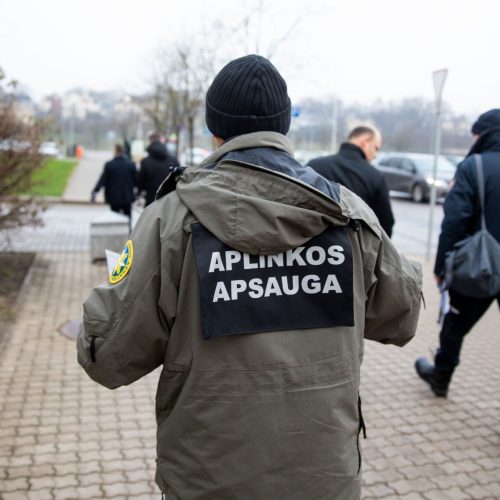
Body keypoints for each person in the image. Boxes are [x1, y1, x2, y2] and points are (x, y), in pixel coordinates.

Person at [78, 54, 422, 499]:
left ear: (214, 128)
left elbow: (106, 354)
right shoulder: (347, 214)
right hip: (324, 479)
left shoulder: (171, 220)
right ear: (283, 127)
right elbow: (403, 316)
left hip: (210, 480)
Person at [415, 109, 500, 398]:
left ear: (483, 135)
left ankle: (441, 377)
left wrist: (441, 267)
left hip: (479, 265)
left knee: (454, 325)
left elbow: (454, 221)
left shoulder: (473, 166)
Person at [308, 126, 395, 237]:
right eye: (376, 148)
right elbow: (385, 224)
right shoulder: (375, 177)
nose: (375, 155)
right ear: (365, 141)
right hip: (354, 251)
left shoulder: (313, 166)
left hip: (311, 249)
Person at [91, 143, 137, 217]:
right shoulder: (131, 164)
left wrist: (95, 191)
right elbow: (136, 181)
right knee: (127, 218)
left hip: (113, 198)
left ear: (115, 151)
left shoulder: (109, 164)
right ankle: (128, 229)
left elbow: (102, 180)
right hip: (127, 197)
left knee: (115, 218)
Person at [138, 132, 179, 206]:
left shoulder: (145, 162)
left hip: (151, 201)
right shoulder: (173, 160)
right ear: (161, 140)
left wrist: (139, 193)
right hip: (170, 201)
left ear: (150, 142)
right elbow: (179, 179)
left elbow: (140, 182)